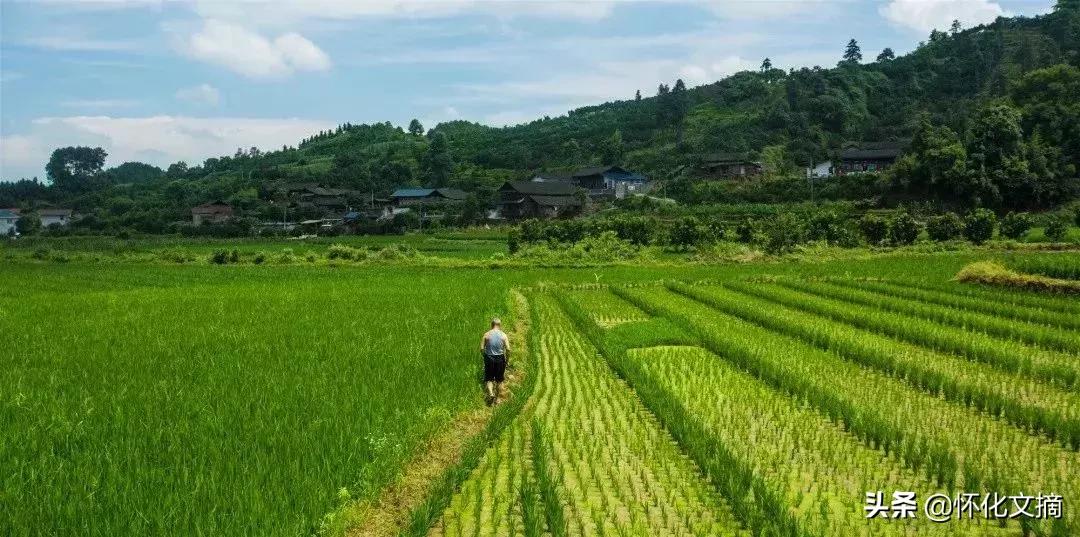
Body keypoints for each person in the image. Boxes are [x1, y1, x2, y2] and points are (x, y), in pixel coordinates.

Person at [480, 318, 510, 405]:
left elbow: (481, 348)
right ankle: (497, 398)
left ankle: (491, 393)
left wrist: (485, 356)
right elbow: (508, 349)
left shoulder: (486, 334)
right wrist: (507, 360)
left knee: (489, 379)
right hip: (500, 359)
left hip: (489, 358)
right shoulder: (503, 335)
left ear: (491, 325)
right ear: (499, 325)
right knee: (499, 380)